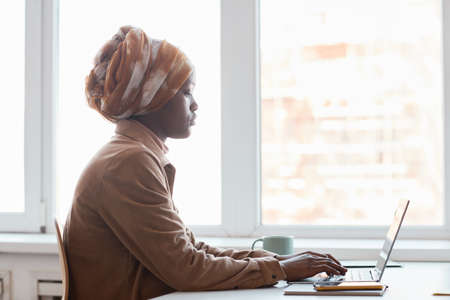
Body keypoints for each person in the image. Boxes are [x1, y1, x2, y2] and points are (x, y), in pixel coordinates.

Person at [64, 26, 346, 300]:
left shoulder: (134, 155)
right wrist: (280, 269)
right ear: (154, 98)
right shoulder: (128, 163)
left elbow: (190, 250)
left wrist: (277, 261)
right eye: (186, 92)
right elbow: (187, 268)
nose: (195, 105)